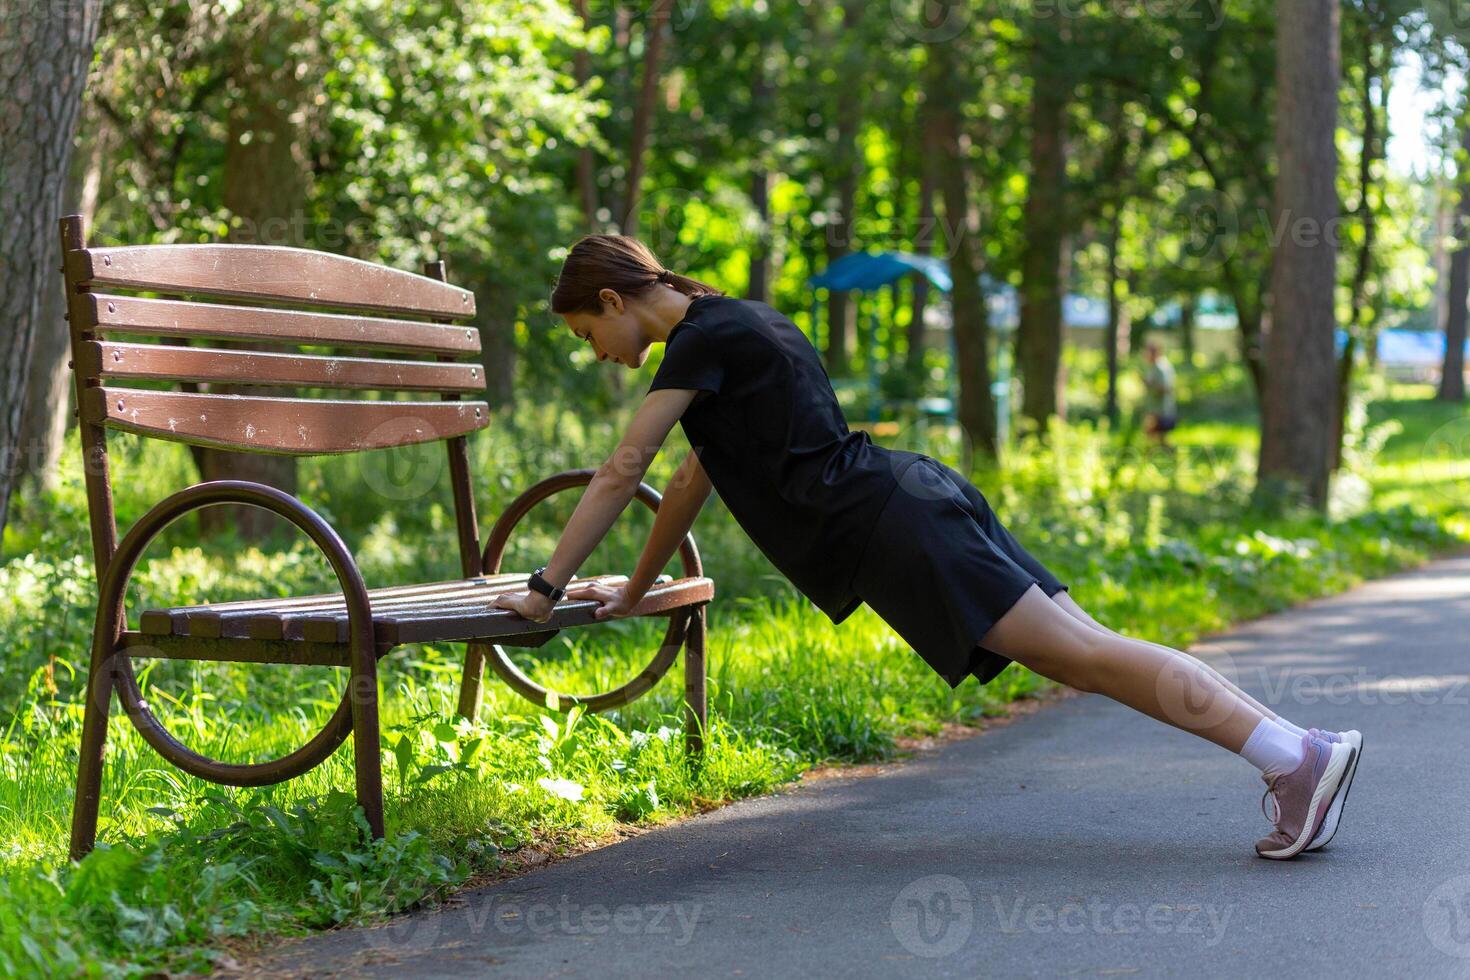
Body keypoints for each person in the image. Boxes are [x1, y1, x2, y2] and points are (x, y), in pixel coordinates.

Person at [491, 235, 1362, 860]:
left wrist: (542, 587)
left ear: (611, 300)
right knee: (1093, 651)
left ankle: (1292, 759)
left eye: (585, 335)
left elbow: (623, 468)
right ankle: (1296, 745)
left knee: (1092, 659)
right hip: (913, 495)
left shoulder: (700, 340)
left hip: (893, 522)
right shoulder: (736, 325)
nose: (599, 355)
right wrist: (640, 586)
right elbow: (690, 482)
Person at [1141, 339, 1178, 446]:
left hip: (1160, 410)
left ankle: (1152, 458)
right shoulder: (1155, 366)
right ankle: (1162, 457)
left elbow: (1167, 389)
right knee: (1157, 438)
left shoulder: (1161, 368)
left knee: (1154, 436)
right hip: (1156, 408)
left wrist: (1149, 385)